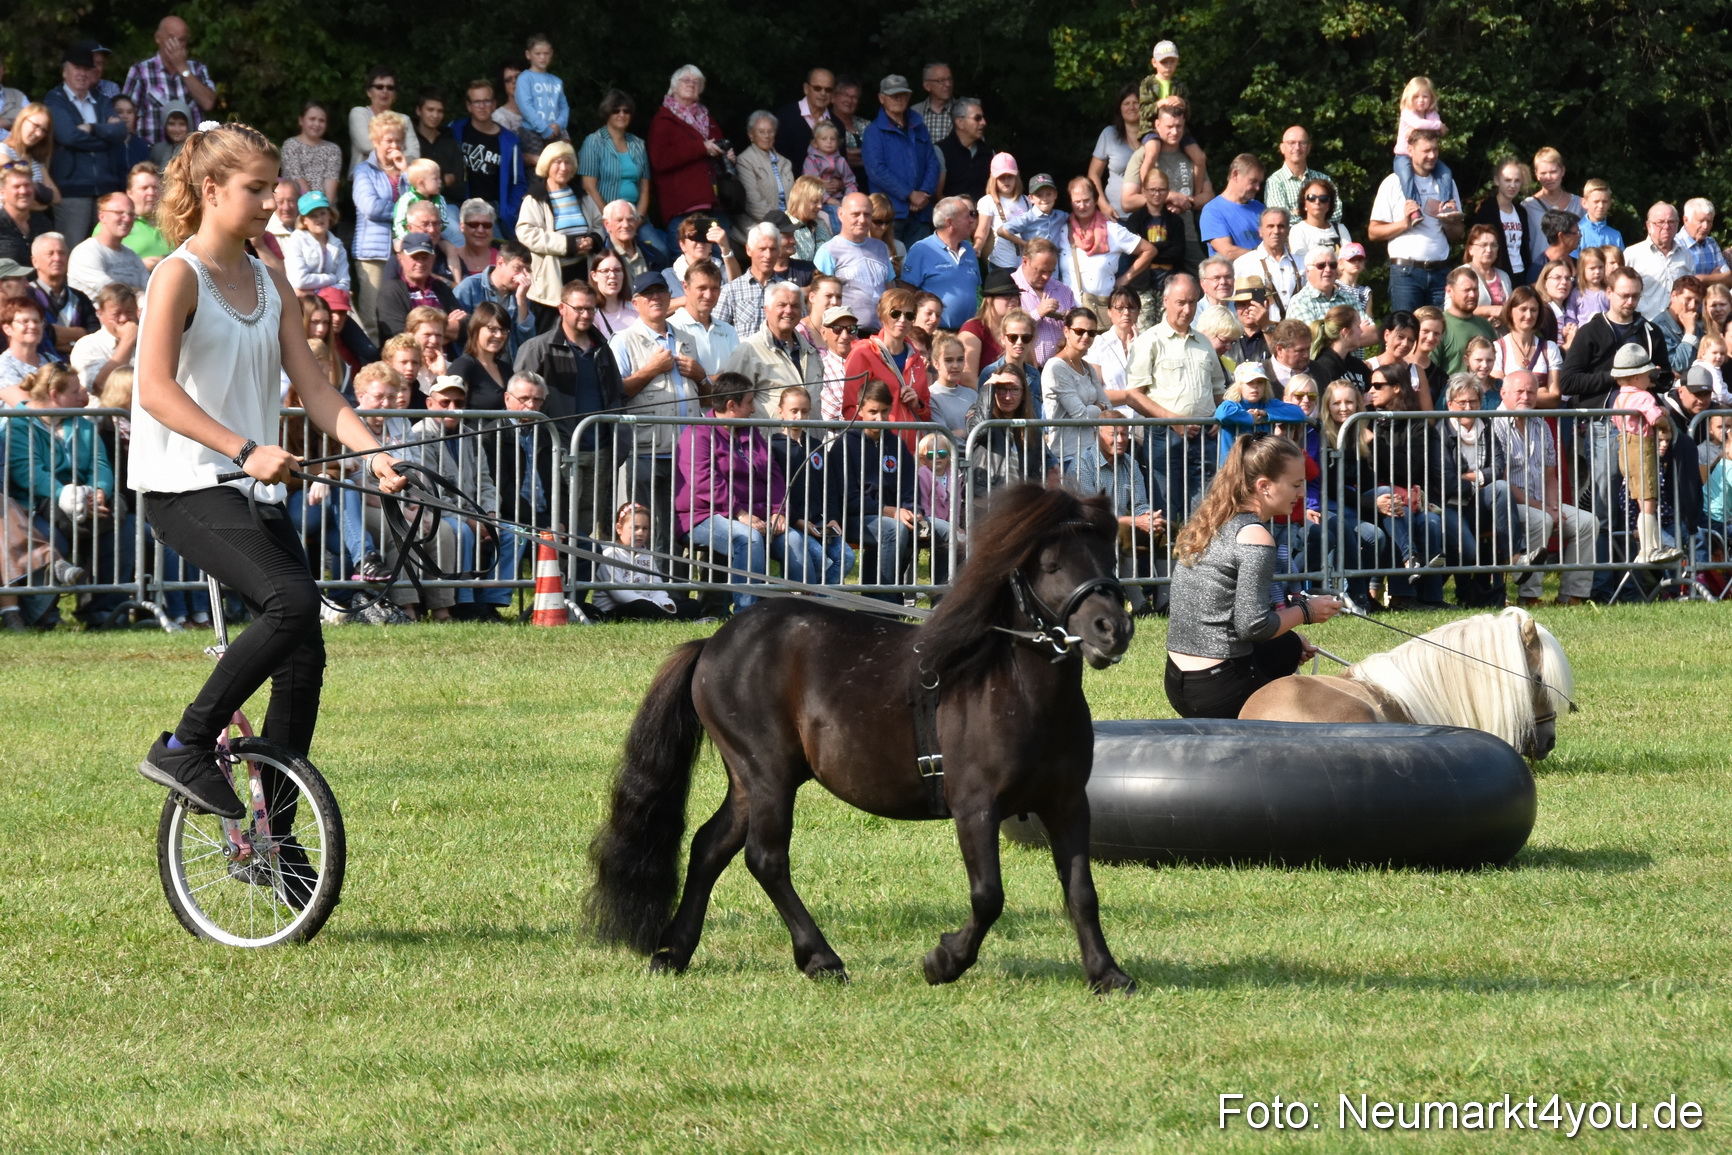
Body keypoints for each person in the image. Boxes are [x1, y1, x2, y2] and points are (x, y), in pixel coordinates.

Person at [130, 122, 406, 836]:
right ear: (210, 189)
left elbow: (314, 388)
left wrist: (371, 451)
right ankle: (186, 744)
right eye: (255, 188)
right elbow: (155, 389)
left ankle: (274, 837)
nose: (270, 199)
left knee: (304, 648)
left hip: (251, 486)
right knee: (290, 598)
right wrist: (245, 445)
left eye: (271, 185)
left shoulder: (270, 277)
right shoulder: (176, 275)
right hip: (184, 484)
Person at [1164, 434, 1342, 718]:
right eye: (1296, 484)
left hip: (1177, 681)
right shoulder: (1256, 537)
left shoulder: (1213, 522)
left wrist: (1293, 640)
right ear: (1264, 487)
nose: (1301, 493)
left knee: (1288, 646)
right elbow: (1253, 627)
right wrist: (1307, 610)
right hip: (1217, 689)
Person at [514, 279, 624, 532]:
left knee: (587, 525)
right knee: (559, 521)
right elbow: (518, 399)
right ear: (562, 308)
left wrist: (619, 440)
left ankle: (581, 572)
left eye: (591, 309)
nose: (586, 314)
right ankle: (558, 571)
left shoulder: (603, 349)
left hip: (600, 449)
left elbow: (616, 394)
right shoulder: (538, 348)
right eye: (579, 308)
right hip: (557, 449)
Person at [611, 270, 703, 552]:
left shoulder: (687, 338)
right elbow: (616, 392)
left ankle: (674, 592)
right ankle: (647, 590)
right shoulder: (623, 340)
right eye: (647, 294)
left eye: (660, 291)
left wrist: (701, 375)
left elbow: (708, 394)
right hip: (645, 452)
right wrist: (651, 370)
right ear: (635, 302)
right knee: (645, 530)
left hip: (686, 453)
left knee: (678, 530)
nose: (655, 298)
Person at [1490, 372, 1598, 606]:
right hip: (1508, 507)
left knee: (1588, 522)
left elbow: (1551, 475)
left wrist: (1554, 506)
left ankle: (1572, 596)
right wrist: (1545, 509)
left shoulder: (1542, 425)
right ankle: (1529, 596)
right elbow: (1503, 479)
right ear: (1504, 393)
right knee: (1542, 520)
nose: (1526, 397)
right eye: (1520, 391)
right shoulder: (1493, 425)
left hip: (1541, 504)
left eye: (1531, 391)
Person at [840, 378, 952, 596]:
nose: (879, 418)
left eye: (884, 411)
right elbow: (848, 498)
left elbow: (910, 489)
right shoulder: (845, 443)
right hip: (856, 518)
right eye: (872, 411)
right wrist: (889, 511)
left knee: (948, 533)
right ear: (860, 409)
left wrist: (915, 512)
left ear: (891, 409)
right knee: (894, 529)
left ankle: (942, 608)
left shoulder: (896, 444)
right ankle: (885, 608)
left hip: (896, 517)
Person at [1129, 274, 1226, 519]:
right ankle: (1165, 558)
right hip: (1165, 433)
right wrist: (1172, 419)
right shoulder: (1148, 340)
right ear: (1165, 300)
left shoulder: (1204, 342)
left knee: (1204, 509)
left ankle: (1197, 558)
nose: (1187, 309)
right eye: (1181, 302)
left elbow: (1218, 391)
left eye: (1193, 302)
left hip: (1205, 435)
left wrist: (1220, 417)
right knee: (1165, 507)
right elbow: (1133, 394)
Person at [1367, 128, 1463, 312]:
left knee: (1438, 334)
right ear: (1410, 150)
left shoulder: (1446, 184)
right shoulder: (1393, 183)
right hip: (1406, 273)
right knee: (1406, 331)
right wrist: (1404, 223)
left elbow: (1457, 234)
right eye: (1426, 150)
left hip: (1440, 272)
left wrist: (1450, 221)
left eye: (1435, 150)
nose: (1432, 155)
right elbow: (1373, 232)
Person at [45, 44, 125, 243]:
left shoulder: (102, 100)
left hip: (106, 189)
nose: (82, 73)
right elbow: (68, 136)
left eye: (86, 69)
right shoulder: (54, 100)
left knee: (108, 248)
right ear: (65, 71)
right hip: (72, 191)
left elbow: (121, 131)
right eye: (76, 68)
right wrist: (106, 138)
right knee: (72, 250)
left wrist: (92, 128)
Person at [515, 139, 598, 318]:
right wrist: (568, 245)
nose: (563, 167)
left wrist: (593, 239)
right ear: (547, 165)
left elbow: (599, 223)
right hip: (551, 279)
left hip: (582, 271)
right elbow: (526, 232)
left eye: (568, 162)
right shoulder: (535, 198)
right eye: (557, 162)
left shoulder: (581, 195)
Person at [842, 287, 931, 448]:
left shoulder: (917, 359)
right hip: (877, 447)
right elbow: (851, 409)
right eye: (895, 313)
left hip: (911, 450)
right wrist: (870, 444)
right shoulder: (863, 353)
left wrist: (918, 404)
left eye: (909, 315)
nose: (902, 319)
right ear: (882, 315)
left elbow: (926, 412)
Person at [1055, 177, 1154, 324]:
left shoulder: (1112, 230)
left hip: (1101, 316)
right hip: (1069, 315)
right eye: (1077, 201)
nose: (1082, 206)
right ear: (1070, 202)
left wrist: (1125, 278)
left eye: (1087, 200)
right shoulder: (1062, 230)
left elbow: (1149, 250)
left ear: (1095, 200)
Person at [721, 279, 823, 417]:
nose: (788, 311)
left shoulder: (810, 352)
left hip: (811, 437)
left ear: (801, 311)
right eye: (782, 305)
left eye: (795, 306)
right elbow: (731, 403)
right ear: (767, 310)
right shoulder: (748, 350)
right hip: (767, 437)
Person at [350, 110, 410, 341]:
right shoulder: (363, 171)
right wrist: (404, 212)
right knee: (372, 318)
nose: (394, 145)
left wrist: (405, 172)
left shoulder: (408, 172)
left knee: (402, 316)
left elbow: (420, 204)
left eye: (398, 140)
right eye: (388, 140)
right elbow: (371, 208)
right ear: (375, 142)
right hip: (372, 254)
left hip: (403, 253)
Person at [646, 65, 727, 233]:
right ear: (674, 85)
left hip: (714, 200)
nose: (691, 84)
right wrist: (700, 147)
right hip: (683, 205)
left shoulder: (706, 117)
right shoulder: (663, 120)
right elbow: (659, 160)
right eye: (686, 80)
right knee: (688, 257)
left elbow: (718, 145)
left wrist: (727, 154)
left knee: (721, 254)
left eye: (696, 81)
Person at [594, 501, 707, 620]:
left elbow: (657, 587)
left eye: (645, 528)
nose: (640, 533)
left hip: (651, 604)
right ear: (619, 528)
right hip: (617, 608)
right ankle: (673, 619)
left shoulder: (647, 555)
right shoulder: (609, 554)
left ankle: (667, 618)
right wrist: (653, 604)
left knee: (692, 605)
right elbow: (619, 594)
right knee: (642, 607)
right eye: (635, 528)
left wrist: (664, 603)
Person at [862, 75, 938, 244]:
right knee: (892, 265)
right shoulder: (873, 131)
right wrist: (910, 194)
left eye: (903, 94)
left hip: (921, 212)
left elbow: (933, 162)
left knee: (920, 265)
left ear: (909, 97)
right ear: (881, 98)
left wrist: (924, 193)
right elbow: (876, 170)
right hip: (888, 214)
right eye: (893, 95)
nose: (899, 98)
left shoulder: (919, 127)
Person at [121, 15, 216, 147]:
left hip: (192, 156)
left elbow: (208, 103)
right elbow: (126, 117)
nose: (176, 44)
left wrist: (182, 67)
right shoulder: (140, 71)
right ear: (158, 38)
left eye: (181, 40)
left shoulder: (198, 69)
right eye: (171, 38)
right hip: (152, 156)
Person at [813, 192, 894, 334]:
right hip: (847, 334)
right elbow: (819, 300)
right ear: (840, 214)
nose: (862, 220)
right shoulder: (828, 251)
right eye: (855, 214)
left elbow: (889, 289)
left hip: (882, 334)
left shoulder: (881, 248)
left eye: (867, 214)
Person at [451, 80, 525, 233]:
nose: (482, 106)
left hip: (492, 209)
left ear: (494, 104)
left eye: (486, 101)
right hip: (460, 205)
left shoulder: (509, 141)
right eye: (476, 101)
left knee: (497, 251)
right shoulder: (455, 130)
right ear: (468, 106)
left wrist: (508, 211)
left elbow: (518, 182)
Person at [902, 196, 981, 331]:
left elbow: (976, 290)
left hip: (968, 333)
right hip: (933, 333)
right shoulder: (922, 249)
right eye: (967, 216)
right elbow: (906, 293)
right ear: (950, 223)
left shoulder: (969, 250)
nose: (972, 220)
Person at [1390, 78, 1459, 221]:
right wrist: (1438, 126)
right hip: (1403, 156)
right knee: (1406, 176)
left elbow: (1437, 131)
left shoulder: (1431, 113)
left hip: (1424, 157)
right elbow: (1420, 124)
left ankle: (1447, 203)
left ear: (1431, 98)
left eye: (1425, 96)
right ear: (1408, 98)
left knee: (1446, 172)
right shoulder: (1407, 112)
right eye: (1416, 97)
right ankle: (1414, 206)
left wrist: (1438, 127)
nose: (1421, 100)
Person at [454, 239, 535, 356]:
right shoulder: (469, 287)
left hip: (508, 367)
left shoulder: (521, 293)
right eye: (517, 268)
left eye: (527, 271)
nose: (522, 276)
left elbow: (527, 341)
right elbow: (457, 334)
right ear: (500, 263)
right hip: (476, 363)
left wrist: (521, 300)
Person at [374, 234, 462, 342]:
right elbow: (397, 335)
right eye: (414, 257)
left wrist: (422, 332)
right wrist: (446, 330)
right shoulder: (390, 291)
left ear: (433, 259)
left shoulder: (441, 288)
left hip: (449, 358)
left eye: (425, 258)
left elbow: (465, 326)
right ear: (400, 258)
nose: (420, 263)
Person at [67, 192, 147, 300]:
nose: (127, 219)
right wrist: (137, 291)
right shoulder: (85, 252)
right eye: (119, 213)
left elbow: (149, 289)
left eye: (131, 214)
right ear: (102, 216)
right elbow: (113, 292)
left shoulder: (131, 254)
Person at [1493, 286, 1564, 405]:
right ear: (1511, 311)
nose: (1529, 315)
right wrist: (1541, 391)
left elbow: (1555, 398)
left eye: (1533, 310)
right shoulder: (1498, 348)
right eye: (1523, 309)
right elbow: (1500, 394)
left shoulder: (1550, 348)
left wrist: (1517, 396)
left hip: (1543, 422)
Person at [1518, 147, 1582, 273]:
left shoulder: (1580, 204)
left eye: (1553, 172)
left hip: (1573, 273)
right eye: (1543, 173)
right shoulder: (1527, 206)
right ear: (1536, 174)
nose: (1548, 177)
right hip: (1539, 273)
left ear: (1562, 171)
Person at [1264, 126, 1341, 227]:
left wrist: (1297, 212)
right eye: (1291, 143)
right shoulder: (1274, 181)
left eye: (1302, 143)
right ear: (1282, 148)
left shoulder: (1324, 179)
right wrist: (1317, 214)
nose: (1297, 147)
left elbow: (1337, 213)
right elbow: (1280, 220)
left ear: (1308, 148)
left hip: (1324, 240)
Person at [1232, 207, 1300, 321]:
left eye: (1281, 226)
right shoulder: (1244, 263)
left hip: (1297, 332)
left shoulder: (1302, 263)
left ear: (1288, 230)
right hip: (1260, 333)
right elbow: (1234, 303)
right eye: (1270, 226)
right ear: (1260, 232)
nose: (1276, 231)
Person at [346, 66, 416, 176]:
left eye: (390, 88)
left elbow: (414, 155)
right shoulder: (359, 113)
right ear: (369, 92)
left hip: (398, 180)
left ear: (395, 95)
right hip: (365, 179)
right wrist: (399, 152)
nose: (385, 91)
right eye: (379, 87)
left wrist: (386, 151)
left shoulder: (404, 119)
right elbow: (366, 145)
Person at [1626, 203, 1689, 321]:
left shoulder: (1686, 255)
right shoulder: (1632, 254)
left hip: (1677, 328)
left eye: (1671, 222)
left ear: (1677, 225)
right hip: (1643, 326)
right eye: (1660, 222)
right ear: (1649, 226)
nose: (1666, 227)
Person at [70, 281, 137, 392]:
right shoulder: (87, 345)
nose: (124, 319)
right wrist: (127, 341)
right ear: (100, 314)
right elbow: (100, 385)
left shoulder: (148, 344)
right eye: (116, 314)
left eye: (129, 312)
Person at [280, 190, 349, 297]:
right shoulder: (296, 240)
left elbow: (344, 283)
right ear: (304, 221)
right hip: (303, 304)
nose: (319, 219)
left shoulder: (337, 244)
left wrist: (319, 293)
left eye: (322, 213)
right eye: (313, 215)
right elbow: (299, 280)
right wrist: (332, 278)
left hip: (332, 301)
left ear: (329, 215)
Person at [1198, 155, 1266, 261]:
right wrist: (1265, 257)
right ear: (1235, 174)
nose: (1257, 188)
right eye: (1253, 181)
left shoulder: (1260, 208)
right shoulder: (1213, 211)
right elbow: (1228, 252)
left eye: (1259, 183)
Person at [448, 300, 514, 409]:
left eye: (503, 330)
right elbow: (449, 409)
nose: (498, 335)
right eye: (492, 329)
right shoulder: (463, 366)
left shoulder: (506, 369)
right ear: (476, 329)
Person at [279, 101, 341, 207]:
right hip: (298, 206)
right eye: (312, 119)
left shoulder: (332, 149)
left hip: (325, 208)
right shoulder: (290, 145)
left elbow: (331, 179)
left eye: (321, 121)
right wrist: (313, 206)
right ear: (301, 120)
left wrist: (326, 208)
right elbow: (296, 177)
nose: (316, 124)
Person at [974, 153, 1028, 271]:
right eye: (1001, 177)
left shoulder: (1026, 200)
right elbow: (983, 229)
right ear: (993, 178)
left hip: (1025, 264)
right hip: (1001, 264)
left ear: (1017, 176)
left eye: (1010, 176)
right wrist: (977, 247)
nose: (1006, 180)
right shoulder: (988, 201)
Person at [1437, 267, 1495, 376]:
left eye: (1475, 289)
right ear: (1449, 291)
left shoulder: (1486, 327)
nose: (1472, 295)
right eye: (1466, 290)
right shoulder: (1439, 327)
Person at [774, 68, 838, 168]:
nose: (823, 93)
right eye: (817, 88)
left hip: (827, 183)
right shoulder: (785, 117)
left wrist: (838, 181)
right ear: (806, 88)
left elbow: (843, 168)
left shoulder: (837, 124)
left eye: (828, 90)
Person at [517, 33, 570, 147]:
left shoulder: (557, 81)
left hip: (555, 131)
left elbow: (564, 107)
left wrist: (558, 124)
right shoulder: (524, 78)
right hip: (531, 131)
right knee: (537, 164)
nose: (542, 57)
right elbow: (525, 107)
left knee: (557, 163)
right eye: (538, 54)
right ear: (528, 54)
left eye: (546, 53)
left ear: (551, 54)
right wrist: (544, 129)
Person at [936, 97, 990, 205]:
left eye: (983, 117)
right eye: (977, 118)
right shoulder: (941, 150)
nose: (983, 122)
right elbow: (937, 195)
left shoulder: (988, 152)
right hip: (951, 217)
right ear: (960, 122)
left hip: (985, 217)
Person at [410, 89, 463, 198]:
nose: (435, 115)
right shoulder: (411, 139)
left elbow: (458, 180)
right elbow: (409, 179)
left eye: (440, 111)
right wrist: (444, 180)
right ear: (418, 111)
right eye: (430, 110)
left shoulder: (450, 140)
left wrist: (428, 182)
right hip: (416, 201)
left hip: (448, 203)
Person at [1287, 245, 1361, 324]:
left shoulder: (1349, 298)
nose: (1328, 269)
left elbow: (1371, 332)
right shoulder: (1300, 302)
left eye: (1332, 265)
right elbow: (1312, 336)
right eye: (1321, 265)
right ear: (1308, 272)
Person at [1306, 306, 1371, 393]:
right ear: (1345, 332)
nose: (1361, 331)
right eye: (1358, 326)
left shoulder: (1357, 365)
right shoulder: (1324, 368)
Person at [1463, 224, 1514, 324]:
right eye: (1483, 245)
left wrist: (1504, 316)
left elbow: (1511, 307)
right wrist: (1490, 310)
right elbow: (1451, 310)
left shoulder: (1504, 276)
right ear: (1470, 249)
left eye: (1493, 245)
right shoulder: (1461, 274)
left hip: (1500, 334)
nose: (1489, 250)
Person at [451, 199, 502, 281]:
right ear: (462, 227)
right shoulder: (451, 258)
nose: (480, 230)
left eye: (486, 225)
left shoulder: (503, 261)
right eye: (474, 225)